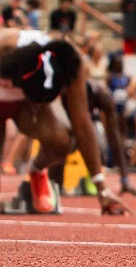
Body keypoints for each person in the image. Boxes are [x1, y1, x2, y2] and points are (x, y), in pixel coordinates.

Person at [0, 30, 129, 215]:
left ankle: (37, 171)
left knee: (62, 141)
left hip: (22, 106)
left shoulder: (70, 61)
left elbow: (82, 124)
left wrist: (102, 188)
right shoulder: (4, 46)